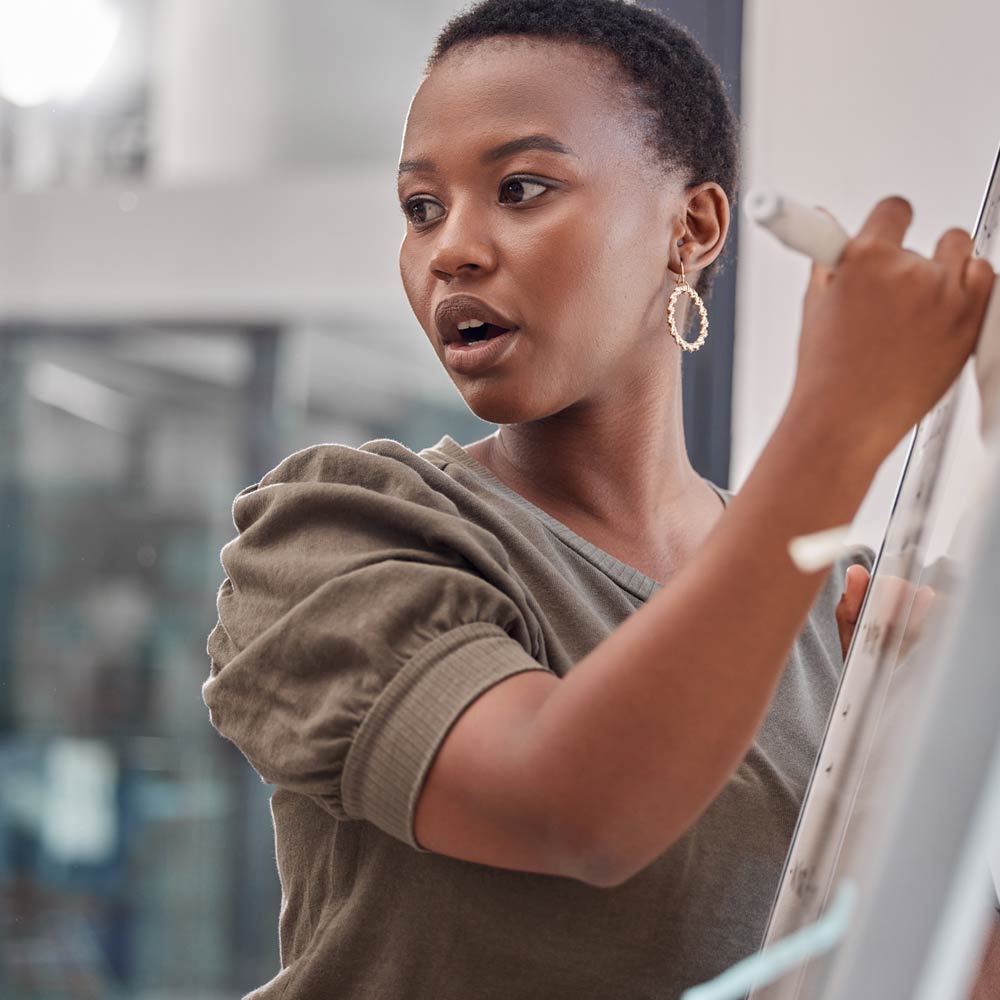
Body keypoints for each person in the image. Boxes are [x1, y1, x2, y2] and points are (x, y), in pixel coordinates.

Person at [202, 1, 995, 997]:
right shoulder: (336, 537)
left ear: (692, 227)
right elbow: (576, 810)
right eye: (420, 208)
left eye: (520, 188)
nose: (452, 248)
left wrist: (957, 770)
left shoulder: (852, 621)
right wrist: (837, 418)